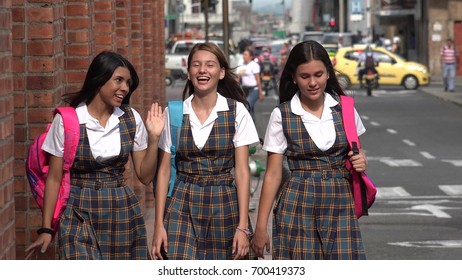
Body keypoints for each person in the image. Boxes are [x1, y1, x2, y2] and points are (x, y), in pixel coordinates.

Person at [25, 51, 166, 260]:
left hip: (122, 211)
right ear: (99, 80)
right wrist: (47, 229)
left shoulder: (130, 118)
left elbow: (145, 177)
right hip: (78, 212)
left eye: (128, 82)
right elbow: (54, 178)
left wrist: (154, 139)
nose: (125, 88)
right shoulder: (67, 121)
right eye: (118, 80)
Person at [251, 40, 369, 260]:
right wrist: (260, 227)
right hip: (297, 204)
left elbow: (357, 153)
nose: (313, 82)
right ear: (294, 77)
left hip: (340, 202)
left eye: (319, 74)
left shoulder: (345, 108)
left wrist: (362, 159)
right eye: (305, 76)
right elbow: (273, 174)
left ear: (328, 74)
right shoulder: (282, 115)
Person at [151, 42, 260, 260]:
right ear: (188, 72)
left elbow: (241, 172)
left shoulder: (237, 111)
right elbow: (162, 172)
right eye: (196, 65)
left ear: (221, 73)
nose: (202, 70)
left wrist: (242, 227)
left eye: (210, 65)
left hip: (224, 202)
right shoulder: (173, 113)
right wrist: (158, 225)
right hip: (182, 202)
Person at [236, 47, 264, 120]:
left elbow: (258, 79)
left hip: (254, 89)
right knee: (250, 107)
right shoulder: (241, 65)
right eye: (243, 55)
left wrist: (261, 93)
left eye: (246, 55)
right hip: (245, 89)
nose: (244, 56)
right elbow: (238, 78)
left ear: (251, 56)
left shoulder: (254, 65)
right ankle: (252, 125)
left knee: (248, 105)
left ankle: (250, 123)